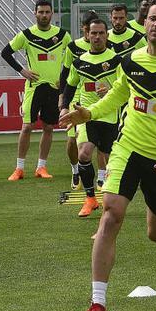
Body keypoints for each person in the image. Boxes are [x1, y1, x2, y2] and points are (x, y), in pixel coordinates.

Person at [59, 0, 156, 311]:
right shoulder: (130, 61)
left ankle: (154, 209)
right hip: (127, 149)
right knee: (111, 215)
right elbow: (116, 95)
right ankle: (98, 302)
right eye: (152, 19)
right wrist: (88, 112)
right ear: (144, 23)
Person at [2, 0, 71, 180]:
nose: (44, 15)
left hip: (54, 89)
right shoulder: (26, 35)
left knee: (48, 127)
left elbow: (72, 59)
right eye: (41, 12)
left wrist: (63, 82)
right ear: (35, 13)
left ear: (52, 13)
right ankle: (19, 168)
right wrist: (22, 71)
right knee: (27, 127)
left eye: (47, 12)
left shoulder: (63, 35)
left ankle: (41, 167)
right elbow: (5, 52)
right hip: (34, 87)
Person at [60, 19, 121, 217]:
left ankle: (110, 196)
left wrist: (110, 91)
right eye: (93, 33)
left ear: (107, 35)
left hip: (110, 115)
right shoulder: (79, 62)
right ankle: (90, 199)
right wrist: (63, 107)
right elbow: (70, 86)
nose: (97, 37)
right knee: (84, 154)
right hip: (85, 115)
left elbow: (126, 89)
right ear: (87, 35)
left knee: (108, 157)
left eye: (101, 33)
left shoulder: (117, 61)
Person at [59, 10, 99, 190]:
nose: (94, 35)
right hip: (76, 98)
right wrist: (62, 100)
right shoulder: (73, 47)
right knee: (72, 139)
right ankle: (75, 171)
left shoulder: (104, 46)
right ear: (84, 29)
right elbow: (65, 74)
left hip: (97, 99)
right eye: (89, 30)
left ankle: (102, 177)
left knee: (100, 140)